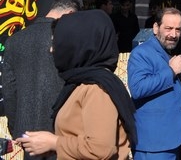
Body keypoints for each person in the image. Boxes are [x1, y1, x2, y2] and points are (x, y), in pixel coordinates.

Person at [16, 10, 137, 159]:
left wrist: (54, 143)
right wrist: (49, 146)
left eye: (56, 43)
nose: (51, 49)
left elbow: (100, 149)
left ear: (76, 44)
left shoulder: (96, 89)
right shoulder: (81, 83)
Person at [2, 0, 82, 159]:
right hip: (62, 132)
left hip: (27, 132)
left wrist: (16, 127)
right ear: (70, 14)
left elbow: (9, 92)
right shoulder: (70, 40)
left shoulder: (14, 41)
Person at [128, 7, 181, 159]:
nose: (173, 35)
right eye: (168, 28)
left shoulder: (172, 51)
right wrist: (171, 71)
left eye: (178, 29)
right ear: (156, 28)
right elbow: (138, 88)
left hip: (175, 139)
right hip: (154, 144)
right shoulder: (141, 53)